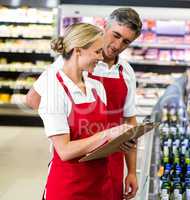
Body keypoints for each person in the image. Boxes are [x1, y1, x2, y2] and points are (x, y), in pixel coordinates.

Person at [26, 8, 143, 200]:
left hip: (111, 157)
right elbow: (32, 100)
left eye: (126, 42)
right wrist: (60, 125)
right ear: (105, 27)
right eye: (115, 36)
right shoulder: (69, 62)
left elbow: (130, 120)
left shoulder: (125, 72)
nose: (117, 45)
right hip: (76, 158)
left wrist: (131, 171)